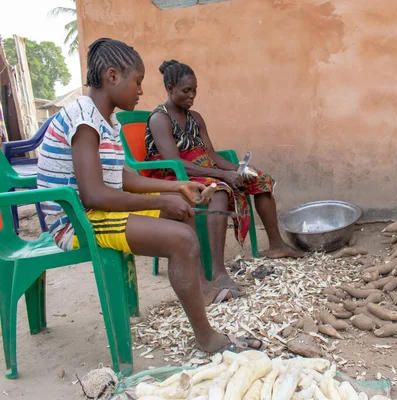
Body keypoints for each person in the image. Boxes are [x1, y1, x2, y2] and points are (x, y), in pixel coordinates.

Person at [36, 38, 261, 353]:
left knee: (183, 212)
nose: (141, 91)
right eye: (137, 82)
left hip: (92, 211)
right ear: (112, 77)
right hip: (75, 221)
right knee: (182, 240)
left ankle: (204, 287)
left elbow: (122, 177)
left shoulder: (104, 119)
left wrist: (176, 188)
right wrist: (159, 200)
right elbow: (95, 196)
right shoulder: (85, 121)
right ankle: (206, 338)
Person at [145, 60, 303, 303]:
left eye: (195, 90)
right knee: (219, 191)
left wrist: (241, 170)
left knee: (260, 180)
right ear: (169, 88)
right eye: (186, 91)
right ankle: (218, 272)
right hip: (175, 176)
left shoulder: (195, 117)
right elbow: (175, 163)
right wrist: (223, 176)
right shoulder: (159, 119)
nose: (192, 96)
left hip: (203, 169)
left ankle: (276, 245)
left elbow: (212, 155)